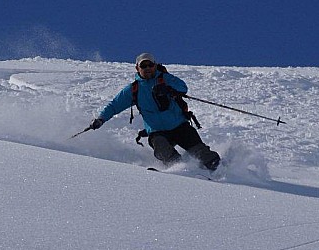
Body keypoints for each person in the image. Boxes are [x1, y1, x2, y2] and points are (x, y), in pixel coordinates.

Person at [89, 53, 221, 171]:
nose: (147, 68)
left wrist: (168, 88)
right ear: (137, 68)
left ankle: (219, 169)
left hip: (180, 126)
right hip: (157, 132)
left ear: (155, 66)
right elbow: (114, 105)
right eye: (143, 65)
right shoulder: (134, 89)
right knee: (163, 150)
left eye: (150, 65)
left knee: (202, 154)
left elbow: (183, 87)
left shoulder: (165, 78)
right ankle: (181, 169)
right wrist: (101, 119)